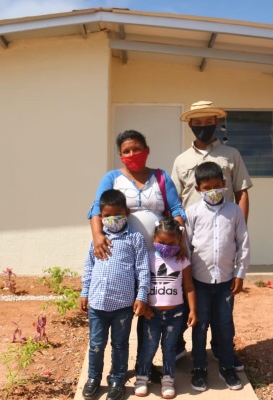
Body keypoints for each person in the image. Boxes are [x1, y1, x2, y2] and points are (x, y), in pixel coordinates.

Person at [88, 129, 187, 383]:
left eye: (136, 149)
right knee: (127, 310)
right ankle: (124, 366)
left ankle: (145, 364)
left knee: (149, 309)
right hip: (124, 257)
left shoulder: (161, 177)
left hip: (157, 257)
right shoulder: (112, 178)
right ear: (120, 155)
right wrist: (98, 236)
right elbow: (96, 210)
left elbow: (177, 210)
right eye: (126, 151)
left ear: (147, 150)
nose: (132, 154)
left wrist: (181, 240)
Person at [171, 100, 252, 370]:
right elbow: (174, 200)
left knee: (222, 305)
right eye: (197, 122)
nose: (203, 126)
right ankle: (179, 345)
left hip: (222, 239)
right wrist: (178, 240)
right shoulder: (181, 160)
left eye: (208, 121)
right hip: (192, 240)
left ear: (216, 123)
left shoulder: (231, 154)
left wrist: (237, 230)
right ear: (190, 124)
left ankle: (222, 348)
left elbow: (241, 193)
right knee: (187, 296)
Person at [79, 189, 151, 400]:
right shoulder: (97, 240)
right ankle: (93, 378)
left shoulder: (135, 238)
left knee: (120, 345)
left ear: (126, 212)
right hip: (97, 305)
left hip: (122, 306)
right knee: (96, 344)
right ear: (101, 217)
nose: (113, 219)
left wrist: (142, 296)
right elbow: (89, 267)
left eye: (117, 214)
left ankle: (117, 380)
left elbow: (142, 269)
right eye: (107, 216)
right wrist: (84, 292)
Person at [184, 162, 250, 392]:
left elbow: (243, 243)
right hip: (199, 282)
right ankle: (199, 368)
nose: (213, 191)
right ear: (198, 189)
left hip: (225, 282)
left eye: (216, 186)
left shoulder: (234, 211)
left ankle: (226, 366)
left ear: (224, 184)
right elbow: (186, 247)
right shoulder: (192, 213)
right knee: (200, 325)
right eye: (207, 188)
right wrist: (187, 280)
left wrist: (240, 273)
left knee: (224, 325)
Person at [134, 218, 197, 399]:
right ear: (154, 238)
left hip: (175, 314)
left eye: (171, 243)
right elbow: (138, 282)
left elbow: (189, 287)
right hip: (150, 314)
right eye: (161, 242)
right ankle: (142, 377)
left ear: (179, 242)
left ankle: (168, 379)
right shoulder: (147, 257)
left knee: (169, 349)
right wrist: (142, 306)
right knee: (148, 347)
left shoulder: (182, 259)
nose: (166, 247)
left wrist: (193, 310)